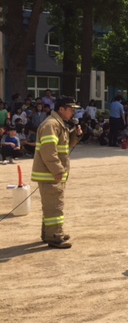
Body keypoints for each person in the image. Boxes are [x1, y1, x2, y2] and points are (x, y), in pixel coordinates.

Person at [31, 96, 83, 249]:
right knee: (55, 207)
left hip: (52, 174)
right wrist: (58, 170)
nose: (73, 112)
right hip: (50, 174)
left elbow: (64, 146)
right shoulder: (51, 125)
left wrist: (76, 135)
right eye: (71, 109)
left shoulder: (58, 124)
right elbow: (49, 151)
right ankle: (55, 236)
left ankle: (50, 233)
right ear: (61, 109)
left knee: (51, 205)